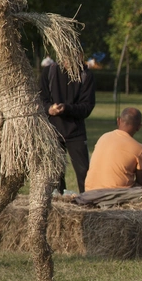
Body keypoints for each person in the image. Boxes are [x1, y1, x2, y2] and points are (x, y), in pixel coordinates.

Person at [39, 59, 96, 194]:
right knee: (55, 173)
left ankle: (87, 201)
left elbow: (87, 107)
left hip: (76, 132)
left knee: (84, 172)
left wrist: (66, 108)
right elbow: (40, 98)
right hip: (52, 131)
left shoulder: (86, 75)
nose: (67, 60)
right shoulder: (49, 72)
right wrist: (49, 109)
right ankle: (59, 202)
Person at [76, 107, 142, 207]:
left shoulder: (103, 137)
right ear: (139, 127)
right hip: (113, 195)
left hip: (89, 192)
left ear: (118, 120)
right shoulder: (139, 149)